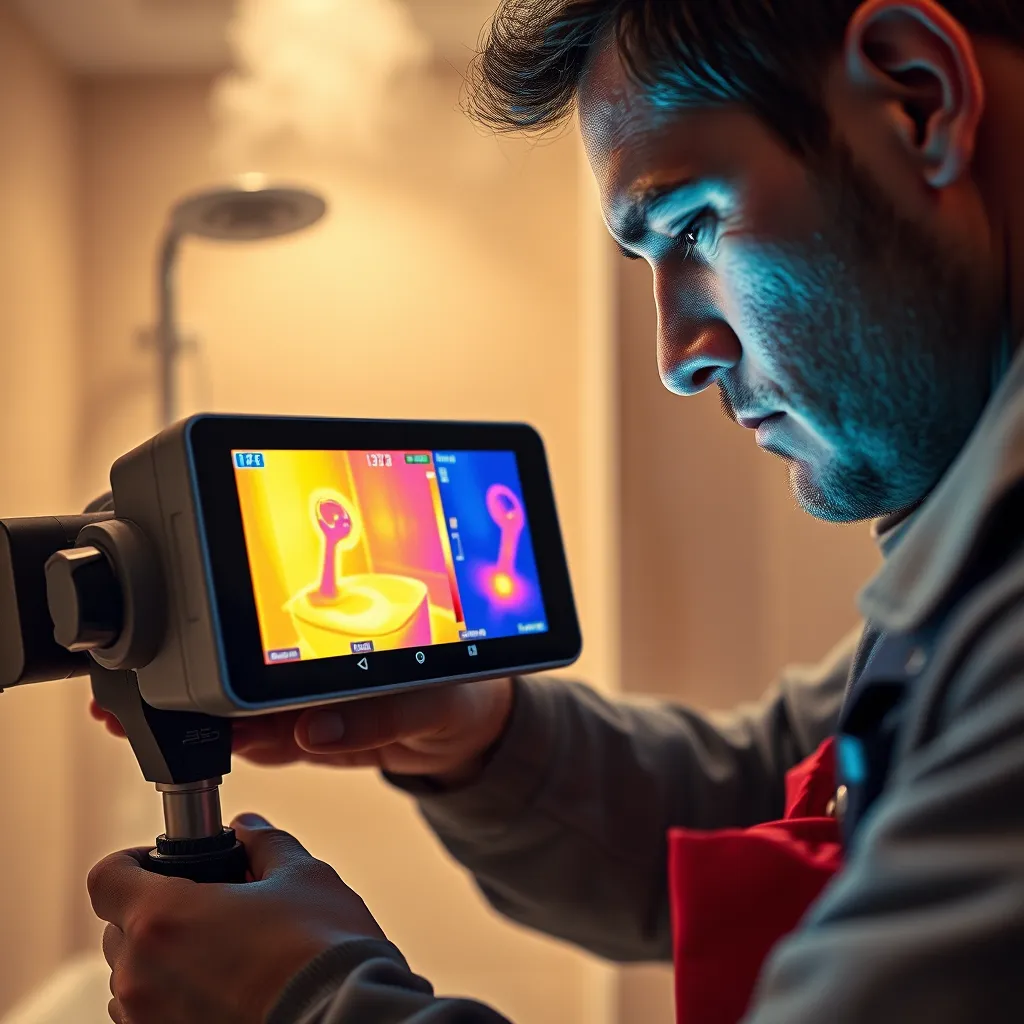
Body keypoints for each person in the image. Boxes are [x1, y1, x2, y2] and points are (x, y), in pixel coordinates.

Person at [87, 0, 1024, 1021]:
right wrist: (480, 732)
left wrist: (304, 1003)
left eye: (694, 223)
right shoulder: (969, 598)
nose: (676, 355)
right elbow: (773, 794)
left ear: (916, 97)